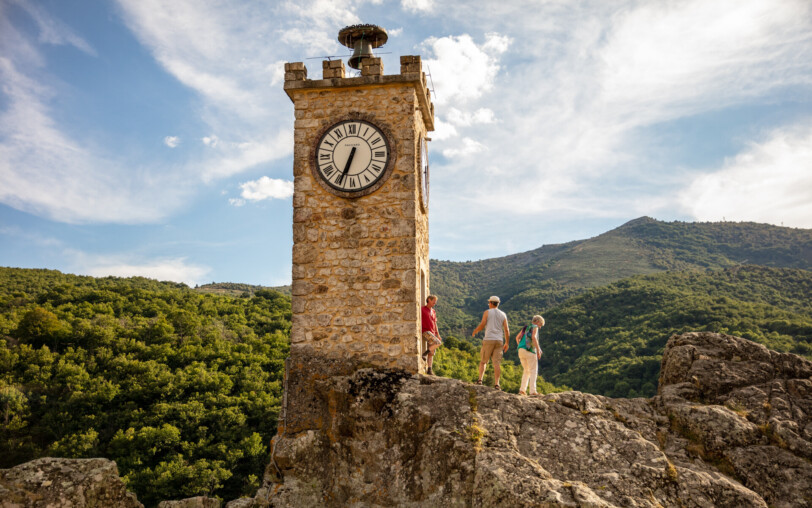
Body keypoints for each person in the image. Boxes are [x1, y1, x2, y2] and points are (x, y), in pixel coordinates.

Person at [471, 296, 510, 389]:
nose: (488, 304)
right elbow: (506, 330)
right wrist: (507, 343)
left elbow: (483, 324)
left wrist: (475, 331)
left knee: (483, 361)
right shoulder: (503, 314)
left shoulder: (487, 312)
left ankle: (480, 380)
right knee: (496, 363)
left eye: (489, 303)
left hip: (489, 339)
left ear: (491, 303)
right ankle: (497, 384)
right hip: (499, 340)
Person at [516, 315, 545, 396]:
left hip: (521, 350)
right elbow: (533, 337)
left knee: (526, 370)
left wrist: (521, 346)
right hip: (530, 351)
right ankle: (532, 391)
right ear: (538, 322)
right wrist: (538, 350)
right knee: (533, 371)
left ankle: (522, 390)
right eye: (541, 325)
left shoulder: (526, 327)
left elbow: (517, 338)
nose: (540, 327)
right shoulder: (535, 327)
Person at [421, 294, 442, 375]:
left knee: (432, 352)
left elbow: (435, 323)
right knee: (438, 343)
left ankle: (429, 369)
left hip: (432, 332)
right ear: (429, 300)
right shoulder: (422, 309)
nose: (435, 303)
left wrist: (438, 334)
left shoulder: (433, 311)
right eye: (434, 301)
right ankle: (425, 353)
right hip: (425, 331)